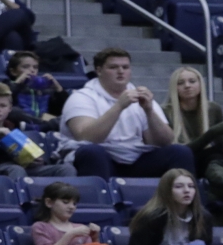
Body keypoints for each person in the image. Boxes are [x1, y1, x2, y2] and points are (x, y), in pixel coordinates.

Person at [61, 48, 192, 180]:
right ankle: (100, 198)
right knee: (92, 152)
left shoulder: (141, 95)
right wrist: (119, 106)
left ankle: (186, 199)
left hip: (135, 159)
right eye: (113, 67)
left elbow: (165, 142)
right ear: (99, 70)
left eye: (125, 67)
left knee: (180, 152)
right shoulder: (81, 97)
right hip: (100, 158)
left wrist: (149, 111)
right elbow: (86, 138)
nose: (121, 71)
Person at [0, 83, 77, 179]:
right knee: (16, 169)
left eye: (2, 106)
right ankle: (21, 204)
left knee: (66, 169)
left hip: (22, 169)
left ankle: (65, 199)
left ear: (10, 108)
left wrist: (36, 161)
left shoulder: (13, 130)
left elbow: (27, 155)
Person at [126, 168, 219, 245]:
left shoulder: (203, 217)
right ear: (166, 191)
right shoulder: (151, 217)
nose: (187, 191)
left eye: (191, 186)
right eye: (179, 187)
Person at [162, 66, 223, 172]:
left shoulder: (213, 109)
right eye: (180, 83)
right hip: (179, 159)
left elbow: (221, 144)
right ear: (174, 87)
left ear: (200, 84)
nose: (187, 86)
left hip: (207, 159)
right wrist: (211, 133)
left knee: (220, 155)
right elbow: (181, 150)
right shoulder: (165, 111)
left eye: (192, 81)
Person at [6, 51, 64, 122]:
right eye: (26, 67)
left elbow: (62, 109)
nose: (32, 70)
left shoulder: (45, 89)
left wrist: (58, 88)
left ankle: (42, 125)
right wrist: (18, 83)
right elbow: (4, 100)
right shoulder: (7, 85)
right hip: (21, 121)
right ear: (13, 72)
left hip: (44, 120)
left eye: (35, 67)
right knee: (14, 111)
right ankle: (42, 124)